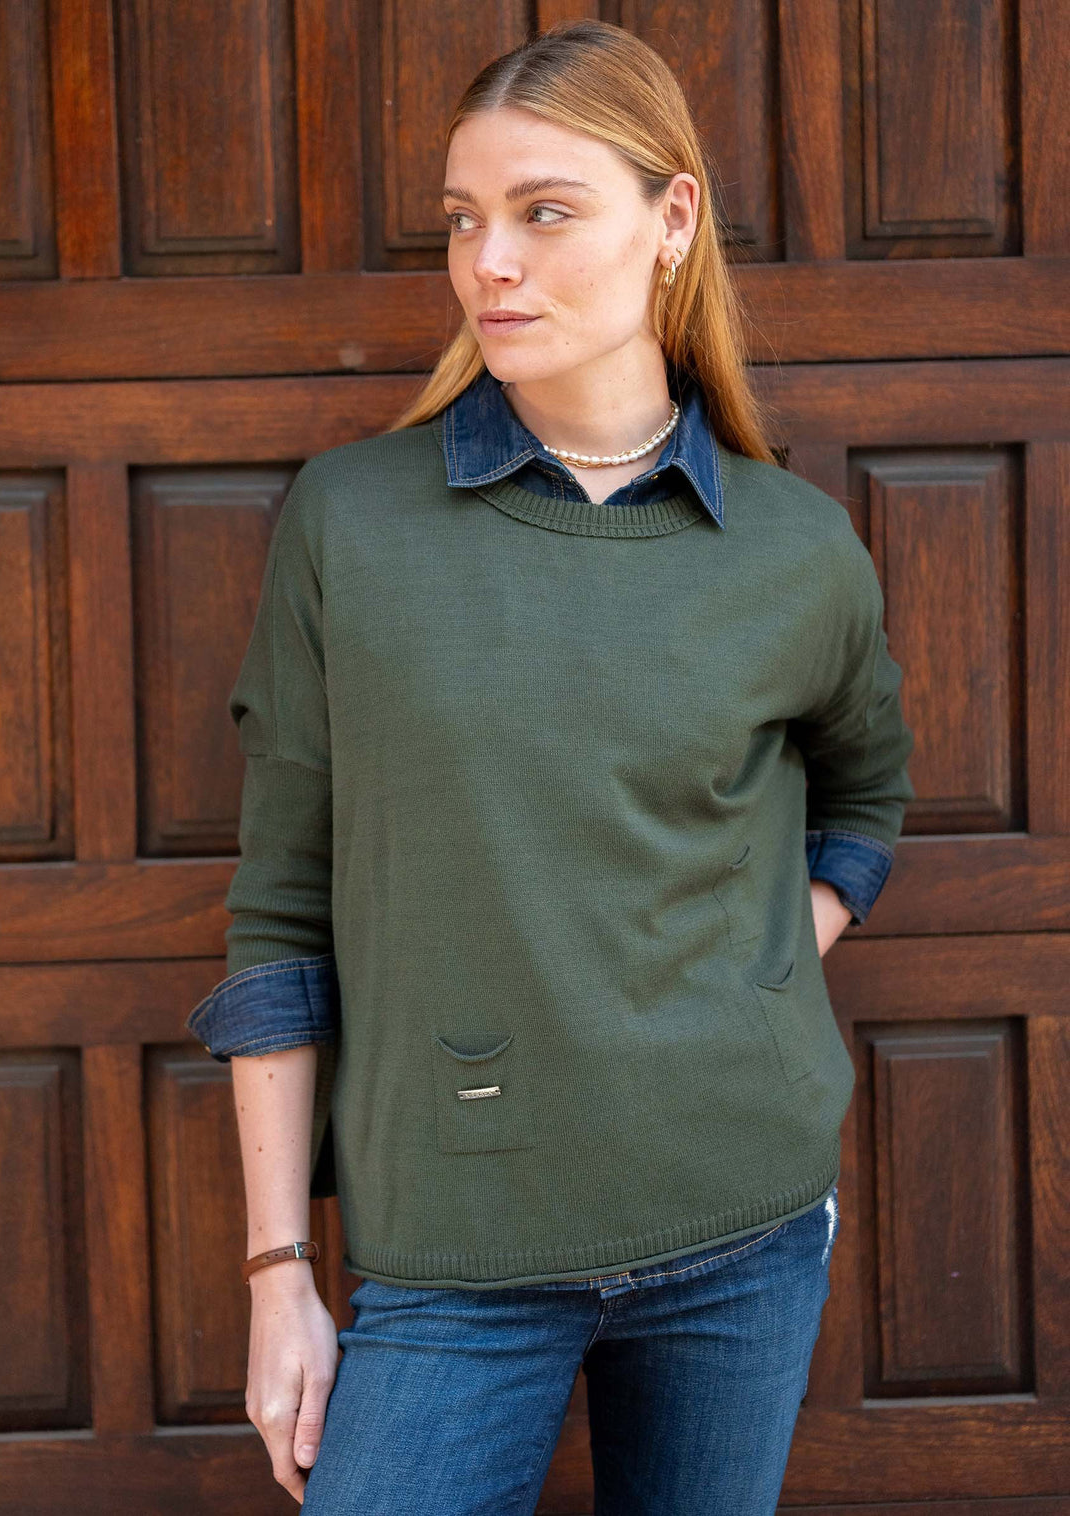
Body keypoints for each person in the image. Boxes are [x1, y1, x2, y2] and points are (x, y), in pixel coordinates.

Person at [185, 18, 915, 1513]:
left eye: (544, 212)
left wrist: (771, 955)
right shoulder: (355, 526)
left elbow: (865, 801)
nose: (488, 263)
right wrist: (277, 1272)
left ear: (674, 218)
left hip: (746, 1221)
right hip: (455, 1255)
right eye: (465, 221)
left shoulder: (794, 549)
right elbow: (279, 907)